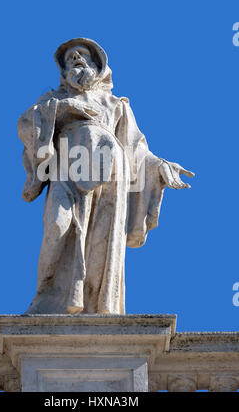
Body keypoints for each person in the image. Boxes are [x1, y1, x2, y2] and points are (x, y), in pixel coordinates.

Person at [18, 38, 194, 314]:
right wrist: (63, 110)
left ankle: (92, 305)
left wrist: (158, 166)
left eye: (83, 54)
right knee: (57, 226)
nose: (76, 56)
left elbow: (137, 148)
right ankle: (47, 301)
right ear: (63, 71)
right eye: (69, 58)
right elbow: (28, 124)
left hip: (111, 175)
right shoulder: (53, 101)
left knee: (101, 243)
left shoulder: (116, 105)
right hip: (68, 168)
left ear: (97, 65)